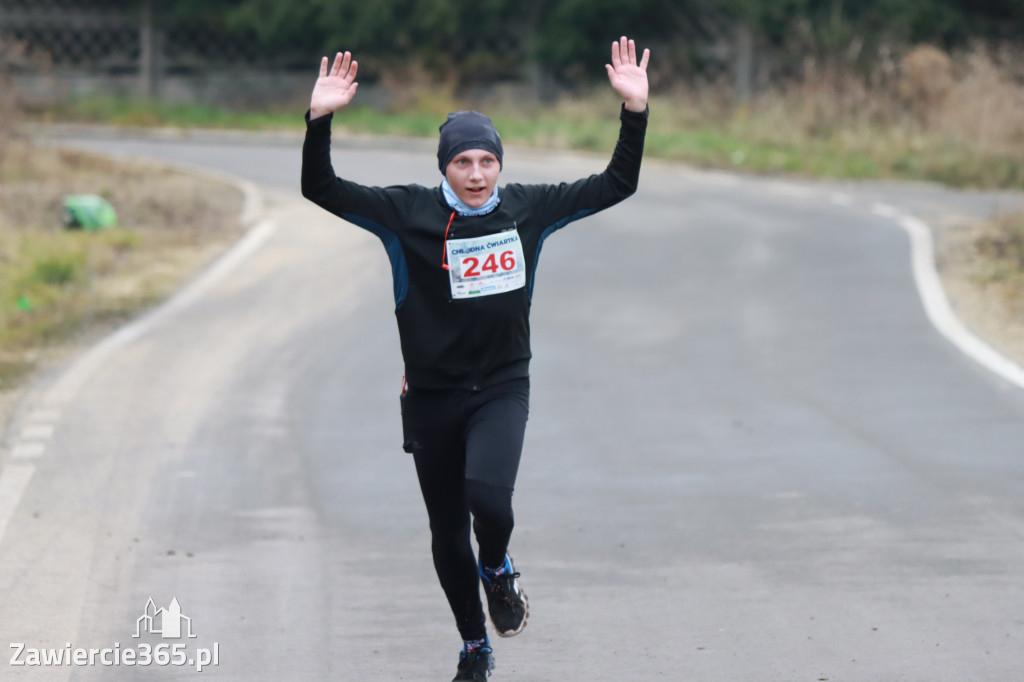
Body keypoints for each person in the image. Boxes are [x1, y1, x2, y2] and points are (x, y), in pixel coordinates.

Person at [301, 36, 649, 682]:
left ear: (500, 165)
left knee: (489, 500)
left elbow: (616, 183)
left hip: (500, 387)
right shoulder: (405, 214)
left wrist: (634, 114)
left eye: (488, 160)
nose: (478, 173)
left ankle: (499, 567)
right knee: (444, 531)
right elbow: (320, 187)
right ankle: (472, 646)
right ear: (445, 167)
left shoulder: (528, 211)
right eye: (463, 161)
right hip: (431, 396)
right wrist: (319, 121)